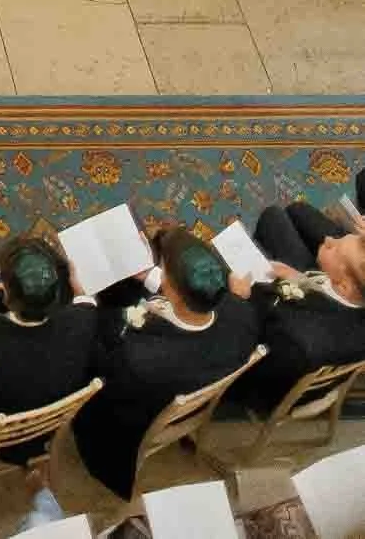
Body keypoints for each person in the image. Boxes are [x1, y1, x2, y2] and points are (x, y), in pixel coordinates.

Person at [71, 227, 259, 499]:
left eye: (164, 273)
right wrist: (150, 276)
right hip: (194, 372)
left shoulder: (136, 356)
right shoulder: (242, 315)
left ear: (172, 291)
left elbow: (98, 367)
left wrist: (83, 302)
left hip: (121, 417)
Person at [0, 236, 100, 459]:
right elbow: (86, 302)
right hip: (45, 433)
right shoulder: (84, 322)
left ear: (7, 294)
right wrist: (77, 285)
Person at [233, 211, 365, 410]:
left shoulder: (296, 340)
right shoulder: (353, 292)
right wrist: (299, 279)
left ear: (344, 286)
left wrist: (239, 300)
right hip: (313, 301)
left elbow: (250, 369)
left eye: (333, 248)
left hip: (265, 381)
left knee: (223, 268)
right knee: (273, 217)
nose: (329, 238)